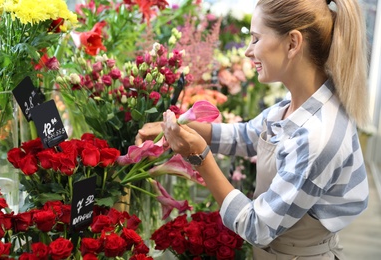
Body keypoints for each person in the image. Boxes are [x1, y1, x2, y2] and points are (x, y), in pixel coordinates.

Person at [136, 0, 369, 259]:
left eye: (255, 39)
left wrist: (200, 159)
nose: (247, 51)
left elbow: (257, 227)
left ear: (293, 43)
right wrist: (178, 125)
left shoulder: (316, 137)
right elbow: (245, 136)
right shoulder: (297, 106)